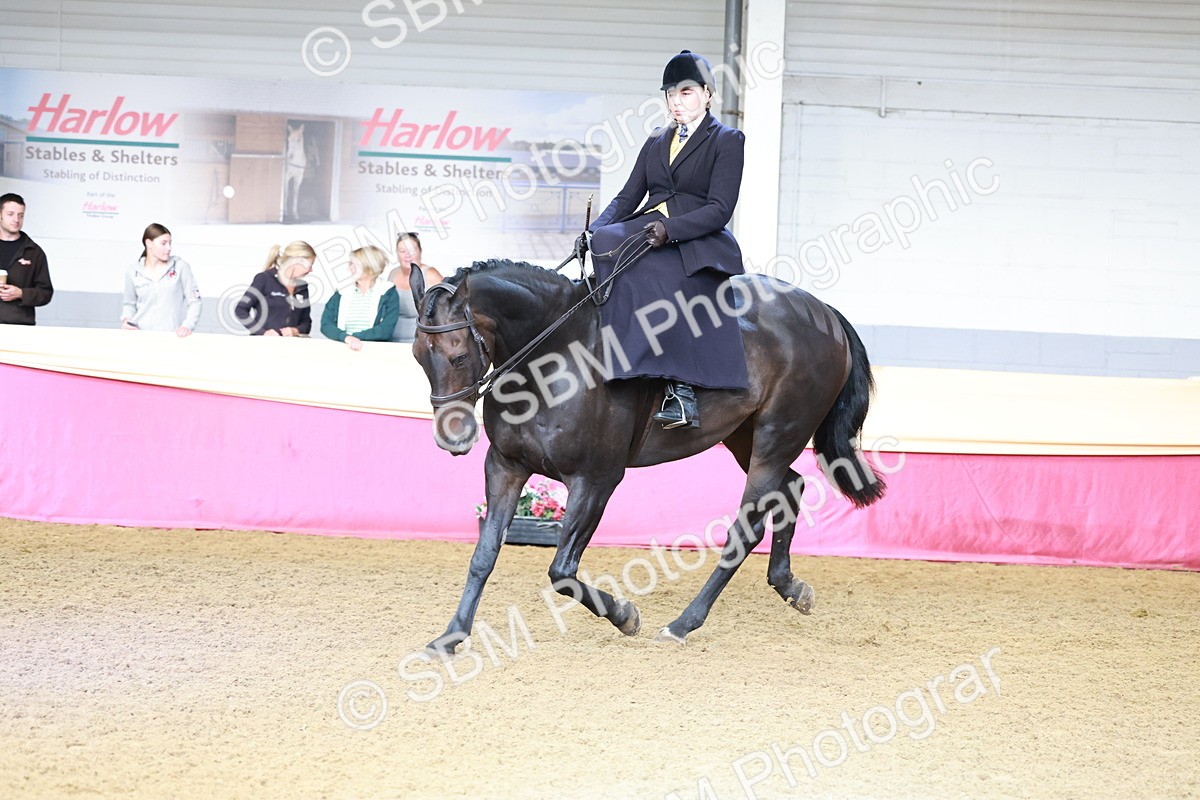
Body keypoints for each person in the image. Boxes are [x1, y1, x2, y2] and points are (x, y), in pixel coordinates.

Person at [583, 50, 750, 430]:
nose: (676, 101)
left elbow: (720, 208)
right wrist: (592, 232)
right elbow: (627, 197)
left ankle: (681, 390)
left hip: (695, 236)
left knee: (652, 272)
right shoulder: (657, 139)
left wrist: (671, 230)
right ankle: (616, 358)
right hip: (650, 226)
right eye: (670, 94)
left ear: (707, 94)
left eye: (685, 93)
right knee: (606, 241)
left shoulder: (727, 140)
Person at [121, 223, 201, 336]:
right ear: (149, 243)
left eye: (170, 243)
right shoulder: (133, 271)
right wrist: (126, 320)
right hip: (139, 337)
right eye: (163, 243)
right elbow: (129, 304)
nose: (169, 248)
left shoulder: (180, 267)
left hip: (170, 337)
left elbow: (195, 302)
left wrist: (187, 325)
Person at [320, 245, 400, 351]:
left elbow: (385, 330)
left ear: (369, 266)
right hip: (344, 349)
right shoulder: (342, 291)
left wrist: (354, 337)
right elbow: (326, 324)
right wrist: (346, 338)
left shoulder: (388, 292)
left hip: (375, 351)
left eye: (353, 264)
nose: (349, 268)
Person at [234, 241, 316, 336]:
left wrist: (295, 331)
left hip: (292, 344)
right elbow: (240, 310)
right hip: (263, 343)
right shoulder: (264, 279)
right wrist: (262, 332)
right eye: (310, 265)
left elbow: (306, 322)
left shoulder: (303, 288)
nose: (311, 270)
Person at [0, 193, 54, 325]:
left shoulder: (34, 252)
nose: (16, 220)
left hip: (19, 326)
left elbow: (46, 293)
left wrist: (21, 293)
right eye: (10, 214)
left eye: (21, 215)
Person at [387, 232, 443, 342]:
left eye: (412, 250)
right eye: (402, 251)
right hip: (391, 341)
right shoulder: (392, 274)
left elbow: (445, 312)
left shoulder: (431, 275)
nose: (407, 255)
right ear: (397, 253)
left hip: (421, 343)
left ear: (420, 252)